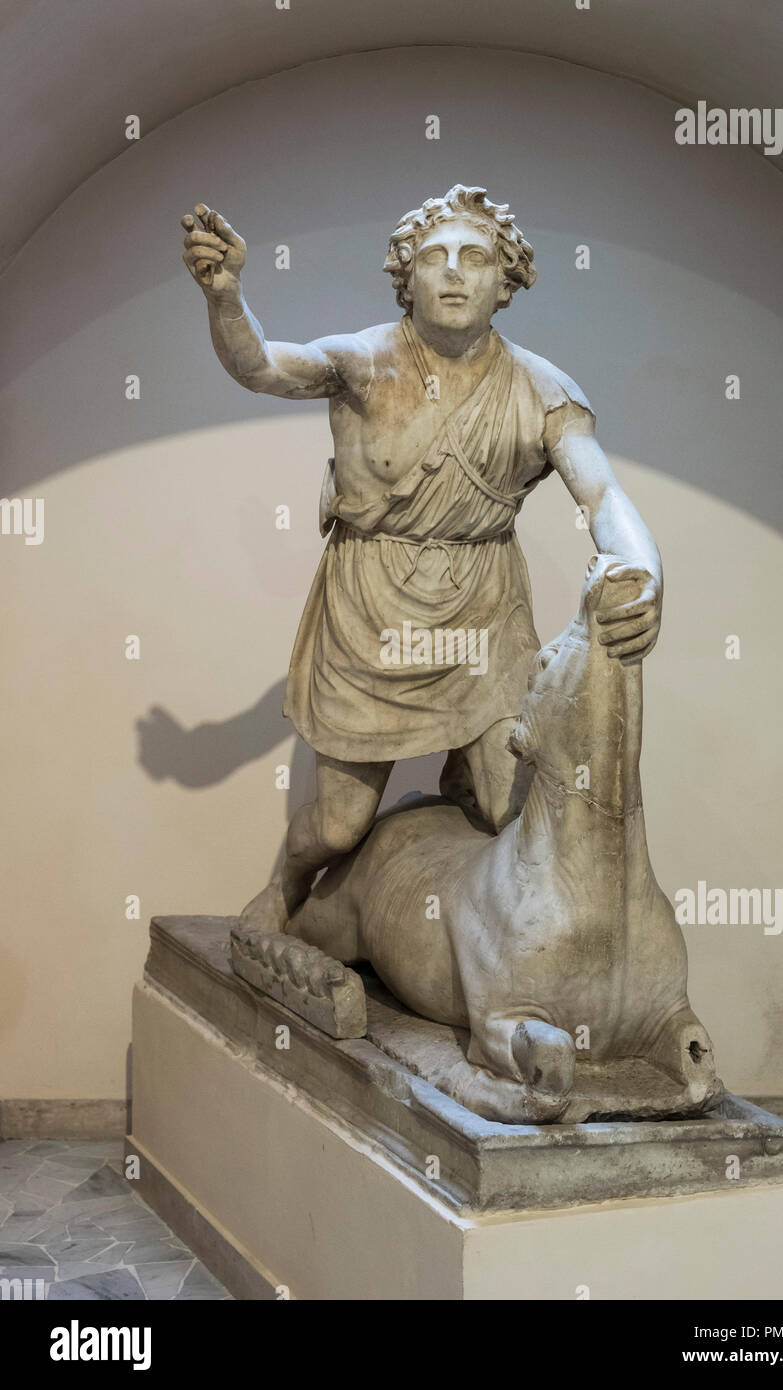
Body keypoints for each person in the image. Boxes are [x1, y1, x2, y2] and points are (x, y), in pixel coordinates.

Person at [180, 185, 663, 932]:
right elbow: (260, 366)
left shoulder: (542, 389)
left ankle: (466, 959)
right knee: (338, 828)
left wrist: (642, 571)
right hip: (366, 606)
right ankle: (285, 891)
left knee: (513, 812)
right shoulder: (361, 361)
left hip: (483, 609)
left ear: (505, 283)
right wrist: (224, 296)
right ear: (407, 276)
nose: (453, 272)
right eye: (433, 257)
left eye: (475, 258)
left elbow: (601, 498)